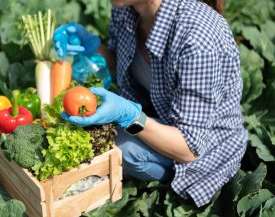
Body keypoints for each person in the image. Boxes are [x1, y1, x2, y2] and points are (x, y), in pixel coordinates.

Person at [53, 0, 249, 207]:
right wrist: (93, 46)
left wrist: (129, 116)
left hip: (204, 144)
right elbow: (122, 62)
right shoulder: (127, 10)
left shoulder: (198, 38)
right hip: (157, 113)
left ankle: (174, 178)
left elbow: (189, 149)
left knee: (123, 148)